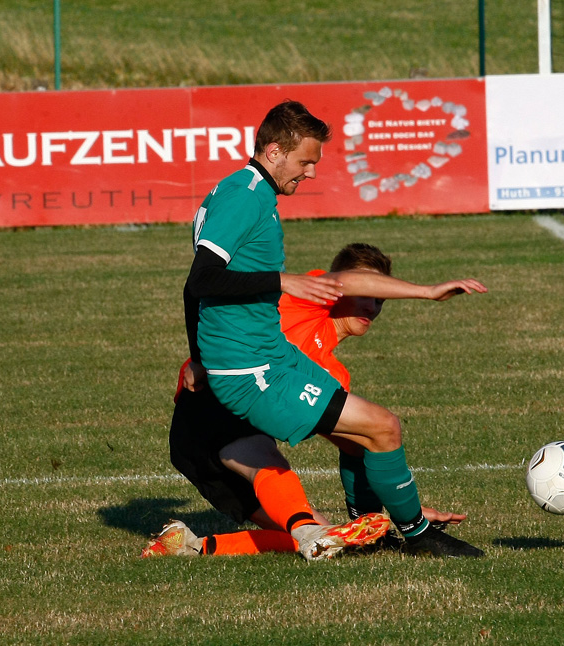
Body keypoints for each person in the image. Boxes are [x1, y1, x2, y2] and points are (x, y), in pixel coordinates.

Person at [162, 100, 485, 559]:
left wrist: (199, 354)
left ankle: (370, 528)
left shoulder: (255, 196)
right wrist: (426, 291)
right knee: (379, 429)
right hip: (246, 375)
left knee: (363, 443)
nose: (311, 173)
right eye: (305, 161)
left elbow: (196, 291)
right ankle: (417, 537)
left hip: (264, 360)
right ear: (274, 152)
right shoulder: (244, 195)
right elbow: (201, 279)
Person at [144, 243, 484, 558]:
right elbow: (341, 281)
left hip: (225, 445)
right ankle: (410, 535)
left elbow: (355, 447)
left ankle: (190, 546)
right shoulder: (306, 299)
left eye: (380, 299)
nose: (372, 305)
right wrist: (427, 292)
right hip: (207, 410)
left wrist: (399, 509)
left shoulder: (335, 376)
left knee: (329, 539)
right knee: (264, 456)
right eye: (366, 292)